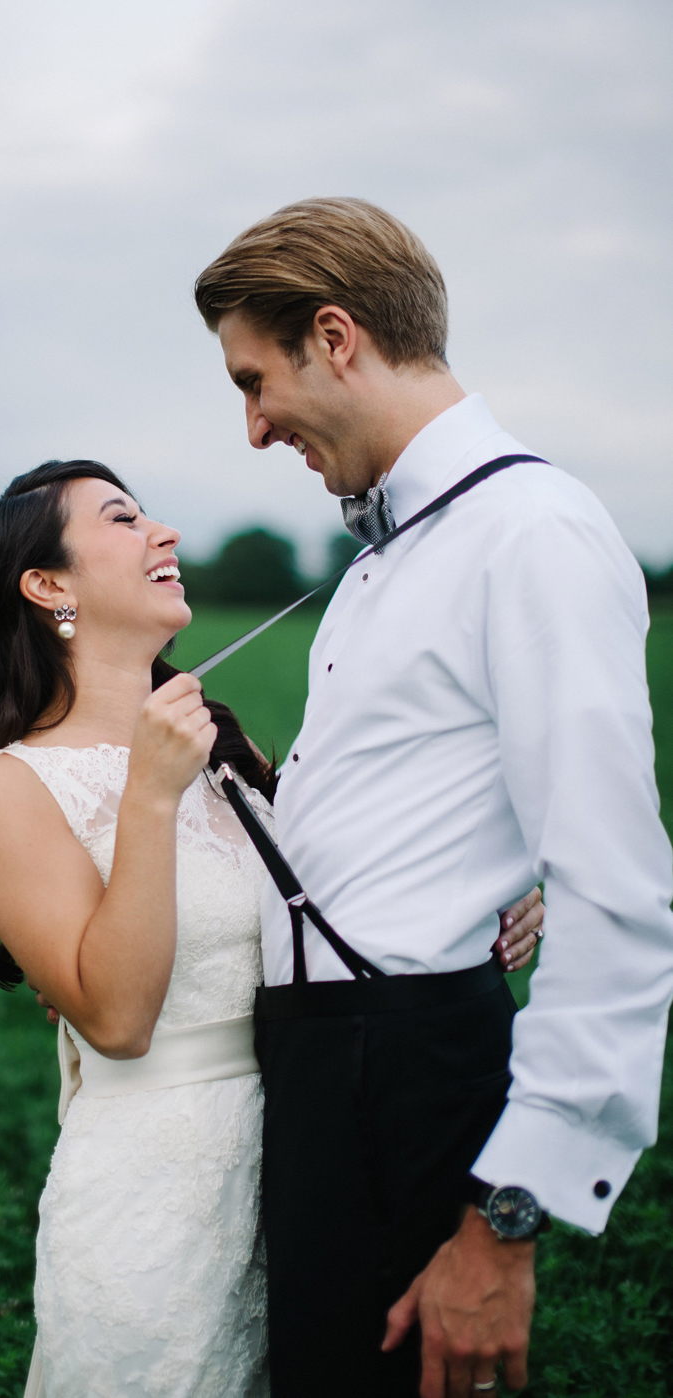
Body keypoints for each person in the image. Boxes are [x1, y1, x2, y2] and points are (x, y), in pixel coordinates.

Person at [193, 196, 673, 1398]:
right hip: (325, 1078)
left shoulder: (533, 533)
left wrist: (502, 1223)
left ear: (338, 337)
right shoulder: (400, 545)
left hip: (404, 1084)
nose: (255, 429)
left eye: (257, 380)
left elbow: (615, 889)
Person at [0, 457, 542, 1398]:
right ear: (48, 586)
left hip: (311, 1169)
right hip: (155, 1204)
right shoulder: (8, 786)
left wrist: (484, 899)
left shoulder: (221, 743)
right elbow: (120, 1020)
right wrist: (147, 795)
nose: (165, 534)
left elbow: (330, 906)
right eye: (126, 519)